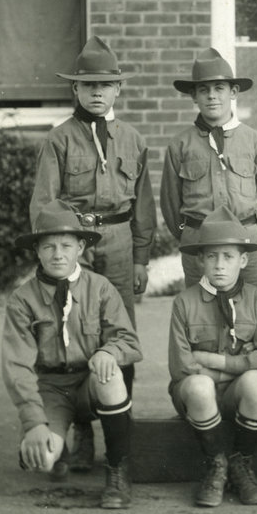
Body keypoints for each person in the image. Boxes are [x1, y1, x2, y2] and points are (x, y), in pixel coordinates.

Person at [29, 35, 156, 471]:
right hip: (75, 243)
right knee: (77, 331)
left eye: (105, 84)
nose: (97, 92)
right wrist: (54, 257)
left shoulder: (133, 139)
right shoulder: (59, 140)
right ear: (75, 90)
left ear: (118, 89)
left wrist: (141, 257)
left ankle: (120, 432)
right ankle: (82, 432)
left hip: (118, 242)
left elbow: (143, 205)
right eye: (88, 85)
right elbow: (44, 205)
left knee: (120, 335)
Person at [2, 200, 143, 509]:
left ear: (81, 247)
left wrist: (109, 351)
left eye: (66, 245)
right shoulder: (22, 300)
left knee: (112, 374)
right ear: (37, 250)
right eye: (49, 246)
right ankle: (58, 443)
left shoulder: (101, 287)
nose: (58, 254)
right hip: (51, 387)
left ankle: (117, 472)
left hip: (90, 383)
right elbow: (17, 366)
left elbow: (129, 341)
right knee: (42, 459)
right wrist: (34, 421)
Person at [167, 206, 257, 507]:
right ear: (200, 259)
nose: (219, 265)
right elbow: (182, 367)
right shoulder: (185, 302)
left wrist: (214, 362)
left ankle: (242, 464)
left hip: (233, 393)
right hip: (194, 394)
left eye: (228, 257)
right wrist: (240, 364)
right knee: (199, 386)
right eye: (211, 256)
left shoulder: (256, 301)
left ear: (243, 259)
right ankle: (217, 465)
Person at [161, 48, 257, 289]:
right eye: (203, 90)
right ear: (194, 96)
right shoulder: (180, 144)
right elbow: (171, 203)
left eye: (219, 88)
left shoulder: (254, 141)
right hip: (199, 241)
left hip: (246, 238)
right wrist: (191, 234)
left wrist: (251, 231)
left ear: (233, 92)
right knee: (201, 312)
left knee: (251, 311)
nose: (212, 96)